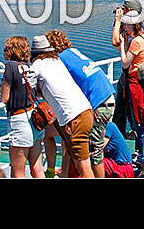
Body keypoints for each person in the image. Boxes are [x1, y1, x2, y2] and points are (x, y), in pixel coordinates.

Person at [48, 29, 116, 178]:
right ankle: (64, 172)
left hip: (99, 103)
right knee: (69, 136)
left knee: (94, 151)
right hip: (107, 95)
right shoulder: (72, 52)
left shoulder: (60, 60)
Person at [29, 34, 96, 178]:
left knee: (84, 168)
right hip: (85, 111)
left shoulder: (36, 66)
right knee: (80, 164)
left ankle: (52, 171)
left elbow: (29, 88)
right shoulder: (56, 60)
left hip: (74, 118)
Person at [0, 36, 45, 178]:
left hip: (19, 120)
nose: (3, 51)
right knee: (37, 169)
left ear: (13, 50)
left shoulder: (10, 66)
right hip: (34, 119)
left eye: (6, 49)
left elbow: (4, 98)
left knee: (18, 172)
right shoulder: (30, 66)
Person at [114, 9, 144, 154]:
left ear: (133, 26)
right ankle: (141, 151)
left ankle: (143, 153)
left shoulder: (136, 41)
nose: (125, 27)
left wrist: (123, 45)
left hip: (135, 82)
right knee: (140, 118)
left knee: (139, 121)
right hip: (142, 80)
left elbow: (125, 63)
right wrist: (125, 44)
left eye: (126, 25)